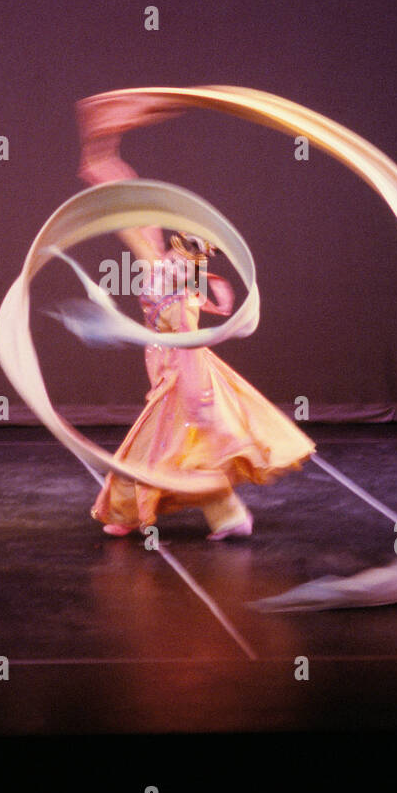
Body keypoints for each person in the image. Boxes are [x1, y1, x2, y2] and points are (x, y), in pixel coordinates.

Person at [77, 100, 315, 540]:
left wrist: (196, 397)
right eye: (179, 247)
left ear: (195, 263)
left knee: (172, 444)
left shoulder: (179, 289)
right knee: (177, 445)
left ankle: (148, 512)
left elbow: (186, 344)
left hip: (184, 375)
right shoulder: (161, 266)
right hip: (173, 370)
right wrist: (101, 148)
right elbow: (124, 203)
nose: (177, 255)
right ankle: (220, 516)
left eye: (189, 254)